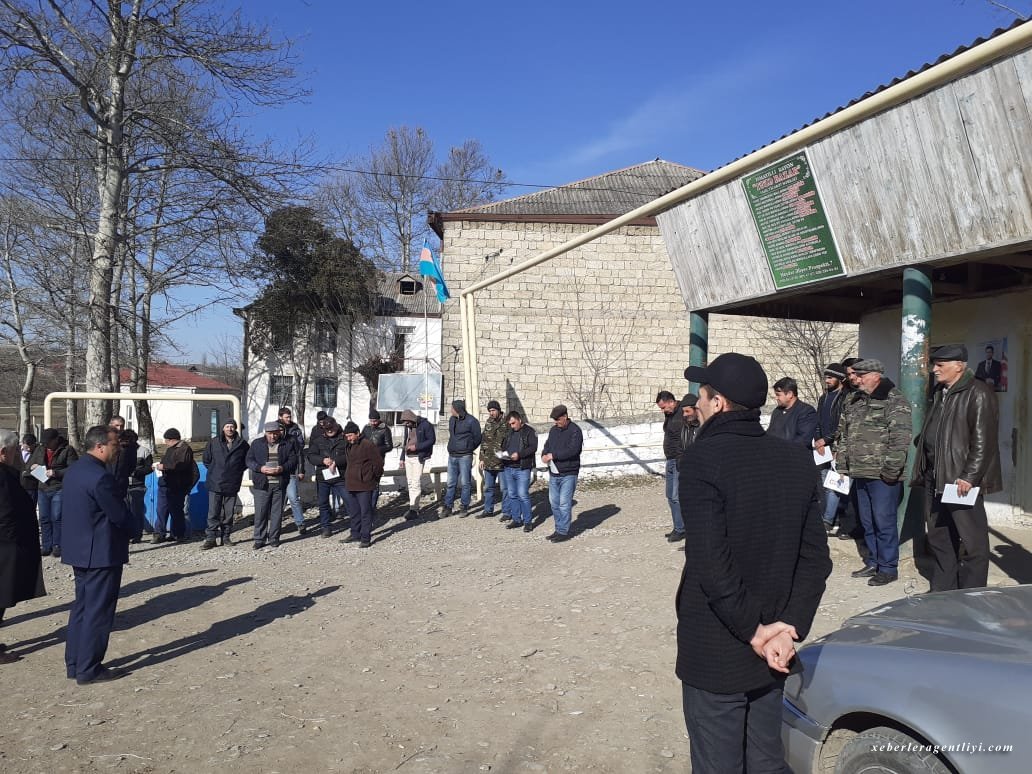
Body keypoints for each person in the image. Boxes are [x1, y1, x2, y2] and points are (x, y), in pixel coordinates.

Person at [678, 353, 831, 773]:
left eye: (702, 396)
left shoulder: (702, 460)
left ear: (719, 403)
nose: (698, 404)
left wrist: (755, 632)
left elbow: (711, 564)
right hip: (775, 646)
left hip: (720, 648)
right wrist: (788, 626)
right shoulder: (794, 459)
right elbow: (816, 559)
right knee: (766, 760)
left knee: (718, 764)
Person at [912, 344, 1002, 592]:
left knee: (972, 541)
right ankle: (943, 590)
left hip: (960, 480)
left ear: (959, 366)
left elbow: (984, 442)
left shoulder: (978, 392)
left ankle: (971, 593)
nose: (934, 369)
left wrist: (969, 476)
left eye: (940, 365)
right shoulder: (940, 392)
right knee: (939, 536)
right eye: (934, 364)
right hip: (935, 476)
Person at [61, 425, 134, 685]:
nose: (118, 449)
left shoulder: (75, 470)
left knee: (82, 607)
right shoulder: (101, 477)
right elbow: (118, 515)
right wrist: (133, 527)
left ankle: (75, 663)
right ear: (100, 446)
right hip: (101, 552)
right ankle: (89, 668)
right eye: (114, 445)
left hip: (79, 550)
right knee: (98, 611)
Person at [835, 358, 912, 587]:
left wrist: (890, 471)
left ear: (875, 376)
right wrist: (843, 465)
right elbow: (845, 434)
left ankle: (888, 568)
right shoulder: (854, 399)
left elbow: (900, 438)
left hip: (882, 475)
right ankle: (874, 561)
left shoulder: (894, 399)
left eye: (860, 375)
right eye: (854, 375)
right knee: (867, 522)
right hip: (859, 472)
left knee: (883, 521)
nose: (856, 379)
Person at [0, 429, 47, 665]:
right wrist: (15, 542)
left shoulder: (7, 473)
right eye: (14, 450)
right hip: (5, 547)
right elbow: (5, 514)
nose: (18, 454)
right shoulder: (2, 476)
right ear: (3, 452)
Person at [25, 428, 78, 558]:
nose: (46, 445)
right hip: (42, 487)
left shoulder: (67, 450)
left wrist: (56, 473)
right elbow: (28, 465)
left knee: (57, 517)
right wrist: (32, 467)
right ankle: (46, 545)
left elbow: (74, 468)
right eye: (44, 442)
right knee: (44, 518)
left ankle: (57, 545)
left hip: (59, 487)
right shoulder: (40, 449)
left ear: (56, 440)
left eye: (48, 442)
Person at [246, 421, 298, 549]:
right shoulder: (257, 444)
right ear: (265, 433)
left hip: (279, 483)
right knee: (260, 513)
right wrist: (259, 468)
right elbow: (249, 460)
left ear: (279, 433)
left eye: (275, 433)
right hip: (262, 484)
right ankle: (259, 539)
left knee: (277, 513)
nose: (273, 436)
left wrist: (282, 468)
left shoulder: (286, 444)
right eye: (270, 433)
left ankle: (274, 538)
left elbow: (293, 460)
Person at [201, 420, 250, 549]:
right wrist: (215, 470)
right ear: (223, 428)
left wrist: (235, 471)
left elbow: (246, 461)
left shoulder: (242, 444)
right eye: (227, 426)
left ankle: (226, 537)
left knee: (229, 513)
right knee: (213, 512)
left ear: (235, 428)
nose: (229, 429)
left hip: (232, 482)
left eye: (232, 426)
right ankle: (211, 538)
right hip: (215, 482)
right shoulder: (214, 442)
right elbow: (206, 459)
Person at [813, 364, 848, 533]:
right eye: (825, 377)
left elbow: (842, 425)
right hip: (823, 448)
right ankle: (829, 518)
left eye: (830, 377)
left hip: (837, 447)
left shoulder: (845, 398)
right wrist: (818, 440)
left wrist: (827, 441)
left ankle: (828, 520)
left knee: (835, 484)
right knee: (825, 482)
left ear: (840, 379)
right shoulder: (824, 397)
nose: (827, 380)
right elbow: (817, 421)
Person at [541, 405, 583, 542]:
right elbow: (547, 445)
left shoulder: (575, 430)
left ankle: (563, 532)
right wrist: (544, 454)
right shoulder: (553, 430)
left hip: (569, 472)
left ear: (565, 417)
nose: (556, 422)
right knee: (554, 503)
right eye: (555, 420)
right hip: (554, 473)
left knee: (564, 503)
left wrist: (554, 455)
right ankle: (558, 528)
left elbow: (573, 450)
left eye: (558, 419)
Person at [341, 421, 384, 548]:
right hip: (351, 483)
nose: (348, 438)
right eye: (347, 436)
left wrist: (373, 478)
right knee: (354, 512)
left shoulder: (367, 445)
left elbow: (378, 464)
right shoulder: (348, 446)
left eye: (350, 435)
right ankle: (355, 534)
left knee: (365, 512)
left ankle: (365, 537)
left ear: (357, 433)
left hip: (365, 484)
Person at [306, 419, 350, 538]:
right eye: (327, 429)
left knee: (349, 500)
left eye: (331, 428)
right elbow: (311, 456)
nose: (330, 431)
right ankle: (326, 527)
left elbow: (350, 455)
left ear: (336, 426)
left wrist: (336, 462)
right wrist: (322, 460)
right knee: (323, 503)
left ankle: (356, 524)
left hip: (340, 476)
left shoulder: (344, 439)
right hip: (323, 477)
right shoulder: (318, 441)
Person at [441, 399, 482, 518]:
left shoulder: (472, 421)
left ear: (457, 409)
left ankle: (464, 507)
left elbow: (478, 438)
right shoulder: (452, 420)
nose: (450, 410)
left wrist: (468, 447)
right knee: (450, 483)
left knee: (465, 483)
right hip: (452, 455)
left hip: (465, 456)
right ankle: (448, 507)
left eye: (452, 408)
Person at [109, 429, 151, 543]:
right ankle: (125, 533)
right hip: (123, 484)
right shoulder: (117, 450)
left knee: (136, 511)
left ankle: (137, 534)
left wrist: (136, 472)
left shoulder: (144, 451)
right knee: (123, 510)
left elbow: (149, 468)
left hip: (137, 485)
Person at [152, 428, 194, 544]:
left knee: (176, 510)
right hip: (165, 483)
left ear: (171, 439)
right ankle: (160, 533)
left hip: (176, 485)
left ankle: (178, 534)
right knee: (161, 510)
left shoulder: (184, 449)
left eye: (166, 440)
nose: (165, 443)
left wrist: (164, 466)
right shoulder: (171, 449)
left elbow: (180, 465)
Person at [656, 390, 685, 543]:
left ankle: (681, 529)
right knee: (670, 496)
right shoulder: (670, 415)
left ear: (671, 402)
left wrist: (680, 459)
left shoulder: (681, 414)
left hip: (678, 460)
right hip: (670, 459)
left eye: (663, 407)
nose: (663, 411)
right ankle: (678, 526)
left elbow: (682, 439)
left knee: (675, 496)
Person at [501, 411, 537, 532]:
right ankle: (516, 519)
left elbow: (533, 448)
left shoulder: (529, 431)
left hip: (522, 468)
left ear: (519, 420)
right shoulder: (509, 432)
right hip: (509, 467)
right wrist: (503, 454)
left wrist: (519, 455)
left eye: (513, 423)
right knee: (512, 494)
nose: (512, 426)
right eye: (510, 424)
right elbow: (504, 446)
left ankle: (528, 522)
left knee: (522, 495)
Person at [399, 409, 436, 521]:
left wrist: (417, 447)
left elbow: (431, 440)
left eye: (407, 423)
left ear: (411, 419)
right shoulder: (408, 427)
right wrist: (402, 458)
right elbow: (405, 441)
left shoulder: (426, 425)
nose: (406, 425)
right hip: (408, 457)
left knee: (415, 482)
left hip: (418, 457)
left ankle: (414, 509)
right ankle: (412, 506)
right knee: (410, 483)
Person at [277, 407, 307, 534]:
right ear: (280, 417)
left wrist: (301, 470)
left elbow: (299, 452)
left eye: (290, 416)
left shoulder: (294, 433)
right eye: (286, 417)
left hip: (290, 471)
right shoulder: (272, 430)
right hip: (277, 473)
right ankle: (275, 525)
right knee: (278, 501)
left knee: (293, 498)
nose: (289, 419)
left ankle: (300, 523)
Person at [478, 400, 509, 520]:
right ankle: (488, 510)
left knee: (505, 489)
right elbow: (484, 441)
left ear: (499, 410)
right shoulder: (489, 422)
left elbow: (511, 441)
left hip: (502, 462)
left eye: (493, 410)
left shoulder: (507, 422)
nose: (491, 413)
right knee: (488, 488)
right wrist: (481, 458)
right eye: (490, 411)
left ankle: (507, 512)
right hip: (489, 461)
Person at [766, 376, 818, 448]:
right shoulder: (777, 411)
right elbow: (770, 433)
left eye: (778, 395)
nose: (776, 397)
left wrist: (778, 447)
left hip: (795, 454)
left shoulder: (806, 412)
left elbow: (803, 440)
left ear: (790, 394)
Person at [361, 409, 394, 513]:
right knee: (365, 483)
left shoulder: (385, 429)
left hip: (377, 460)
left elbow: (389, 446)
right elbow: (361, 440)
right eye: (371, 421)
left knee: (374, 484)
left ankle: (372, 507)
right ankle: (366, 506)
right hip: (365, 460)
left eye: (375, 421)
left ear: (378, 420)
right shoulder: (366, 428)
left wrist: (376, 450)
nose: (373, 423)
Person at [18, 433, 38, 506]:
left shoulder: (37, 452)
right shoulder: (16, 451)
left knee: (31, 508)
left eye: (31, 447)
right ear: (22, 443)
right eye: (27, 447)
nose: (29, 449)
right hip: (18, 485)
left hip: (32, 486)